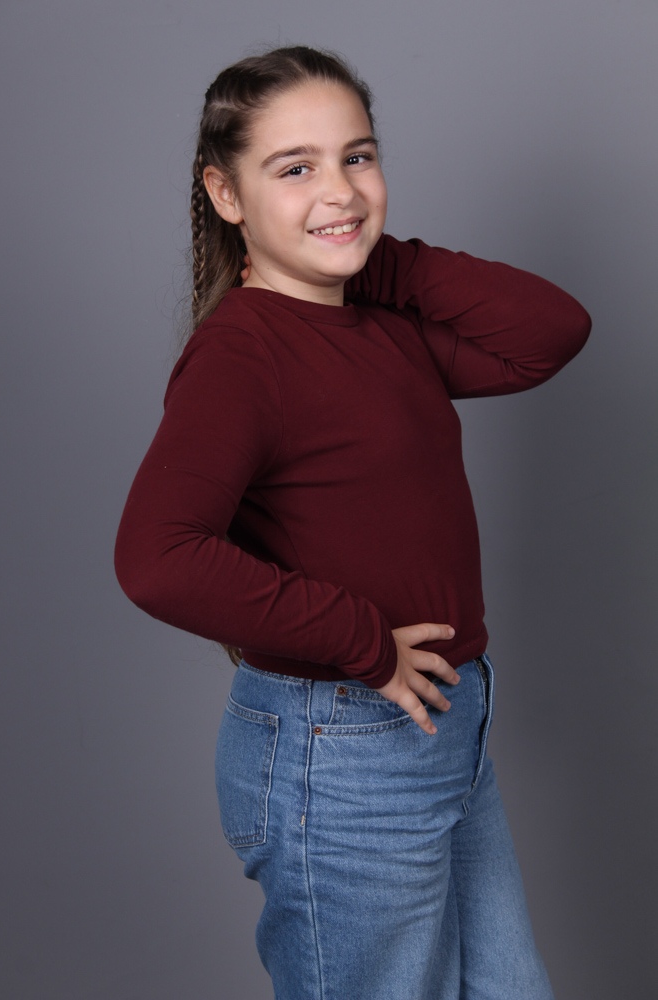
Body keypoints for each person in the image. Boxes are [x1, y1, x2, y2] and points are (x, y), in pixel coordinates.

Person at [114, 45, 591, 1000]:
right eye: (295, 169)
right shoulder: (243, 354)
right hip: (342, 751)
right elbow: (157, 559)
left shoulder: (381, 326)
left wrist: (379, 256)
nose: (338, 189)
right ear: (226, 193)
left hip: (445, 731)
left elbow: (548, 334)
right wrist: (358, 639)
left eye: (357, 158)